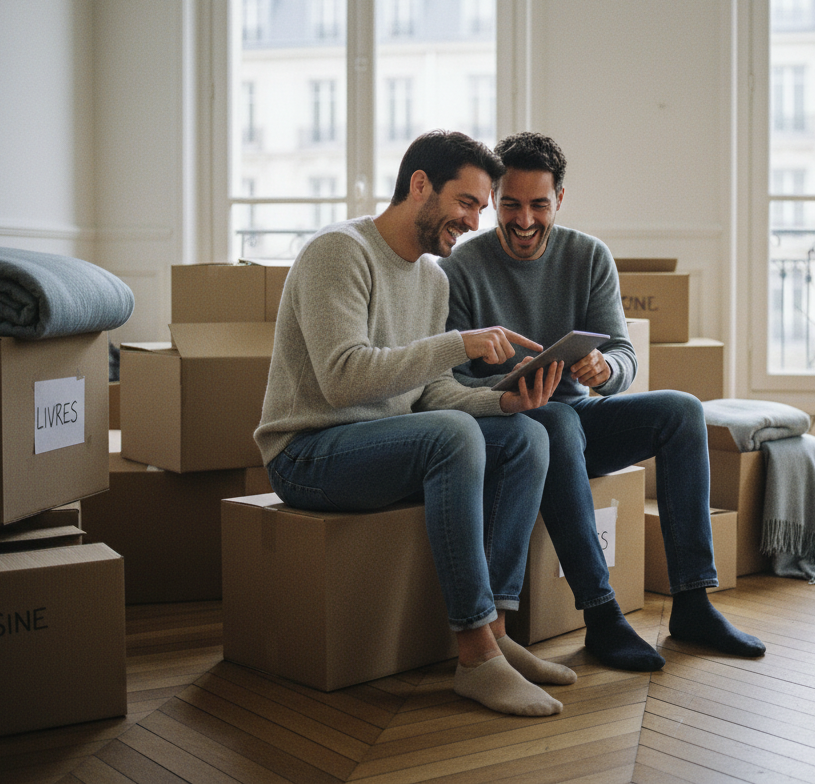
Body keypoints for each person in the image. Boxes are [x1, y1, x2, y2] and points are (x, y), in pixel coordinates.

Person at [254, 130, 576, 717]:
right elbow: (342, 379)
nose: (475, 222)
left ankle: (499, 630)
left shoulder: (432, 278)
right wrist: (458, 342)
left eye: (481, 208)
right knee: (451, 437)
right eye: (466, 203)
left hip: (384, 444)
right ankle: (476, 656)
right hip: (307, 453)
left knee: (529, 435)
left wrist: (506, 402)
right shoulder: (338, 251)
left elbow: (431, 393)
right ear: (420, 185)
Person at [441, 132, 766, 671]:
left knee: (682, 409)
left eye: (538, 206)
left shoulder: (588, 255)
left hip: (575, 418)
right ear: (495, 200)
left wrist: (605, 368)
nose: (524, 221)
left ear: (560, 200)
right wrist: (505, 396)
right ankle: (601, 614)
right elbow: (449, 383)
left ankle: (692, 602)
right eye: (511, 205)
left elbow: (623, 355)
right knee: (558, 422)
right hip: (514, 428)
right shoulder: (460, 269)